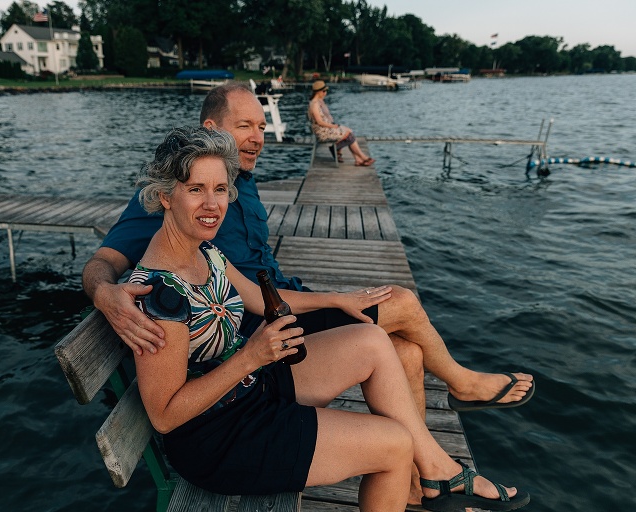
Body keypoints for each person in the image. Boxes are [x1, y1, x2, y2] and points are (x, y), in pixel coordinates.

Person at [82, 82, 534, 503]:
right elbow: (163, 415)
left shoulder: (207, 252)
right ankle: (442, 455)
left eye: (221, 189)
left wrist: (336, 299)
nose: (213, 203)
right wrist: (106, 294)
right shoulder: (163, 290)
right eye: (197, 190)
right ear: (166, 195)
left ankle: (432, 475)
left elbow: (259, 298)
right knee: (395, 429)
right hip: (220, 429)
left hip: (250, 383)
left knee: (382, 345)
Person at [307, 80, 375, 166]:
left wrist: (336, 126)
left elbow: (326, 117)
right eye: (324, 91)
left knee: (349, 133)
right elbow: (319, 122)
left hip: (326, 129)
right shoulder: (314, 104)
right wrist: (335, 126)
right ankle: (362, 157)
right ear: (319, 92)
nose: (325, 93)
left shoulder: (318, 102)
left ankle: (358, 159)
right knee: (349, 135)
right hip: (323, 133)